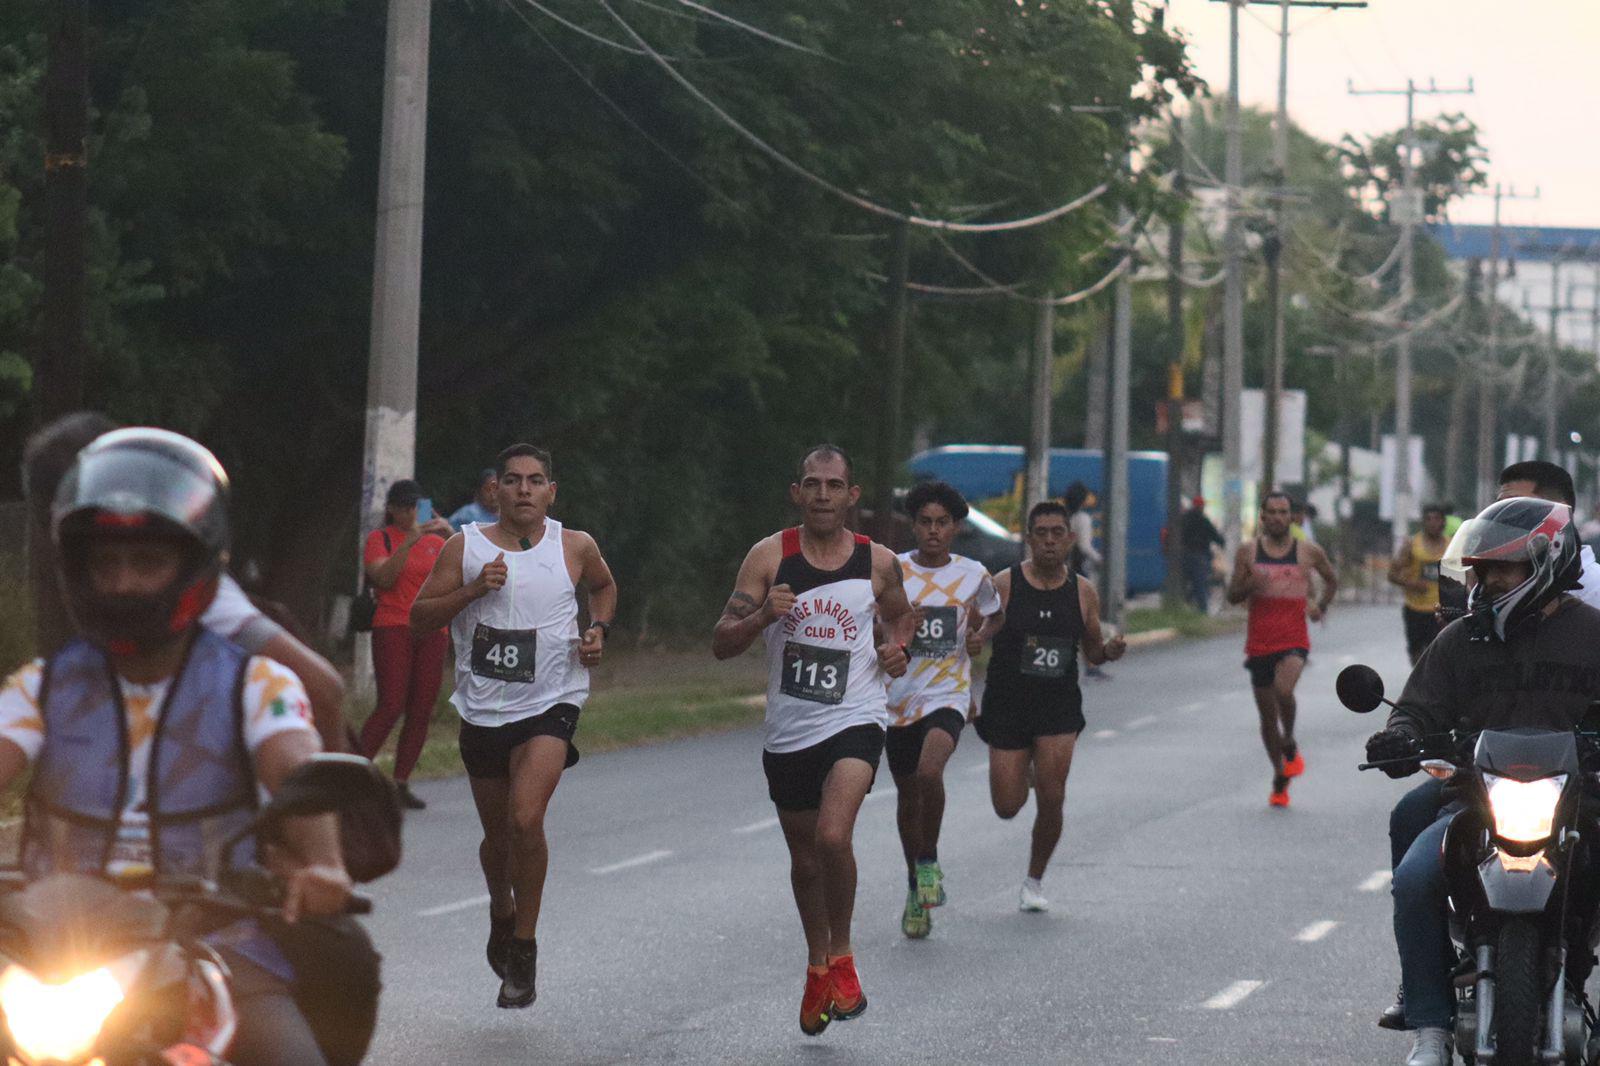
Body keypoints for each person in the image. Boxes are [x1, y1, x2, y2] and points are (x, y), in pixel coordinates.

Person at [0, 428, 377, 1066]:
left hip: (217, 943)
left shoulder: (255, 683)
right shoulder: (41, 687)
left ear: (197, 566)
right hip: (53, 945)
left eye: (147, 562)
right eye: (106, 563)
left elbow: (294, 763)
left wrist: (324, 862)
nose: (122, 583)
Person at [1364, 496, 1600, 1066]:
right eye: (1483, 569)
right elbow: (1416, 708)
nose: (1489, 580)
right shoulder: (1460, 639)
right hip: (1474, 801)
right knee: (1416, 878)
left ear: (1545, 562)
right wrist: (1399, 735)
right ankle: (1430, 1026)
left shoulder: (1594, 634)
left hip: (1580, 802)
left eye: (1503, 568)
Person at [711, 444, 916, 1037]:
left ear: (853, 496)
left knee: (833, 835)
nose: (823, 495)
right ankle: (816, 964)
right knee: (805, 859)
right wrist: (760, 619)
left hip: (856, 716)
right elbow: (722, 642)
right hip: (790, 729)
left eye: (835, 485)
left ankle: (845, 956)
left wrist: (894, 648)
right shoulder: (770, 556)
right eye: (812, 485)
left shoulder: (878, 561)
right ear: (796, 493)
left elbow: (903, 616)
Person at [410, 444, 617, 1010]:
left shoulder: (573, 545)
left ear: (551, 491)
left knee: (527, 818)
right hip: (484, 709)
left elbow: (603, 587)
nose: (524, 489)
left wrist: (596, 630)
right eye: (513, 480)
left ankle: (523, 947)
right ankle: (501, 910)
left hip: (554, 698)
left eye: (536, 480)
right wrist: (474, 589)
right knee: (498, 836)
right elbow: (418, 619)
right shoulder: (465, 547)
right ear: (494, 491)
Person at [21, 412, 352, 754]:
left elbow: (323, 685)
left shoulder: (195, 596)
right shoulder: (53, 659)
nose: (123, 580)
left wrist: (333, 790)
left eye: (147, 561)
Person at [979, 500, 1125, 913]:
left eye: (1056, 533)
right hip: (1007, 704)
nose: (1048, 541)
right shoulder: (1004, 585)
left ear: (1070, 539)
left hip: (1058, 707)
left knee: (1053, 794)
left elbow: (1092, 653)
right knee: (1007, 807)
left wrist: (1110, 652)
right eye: (1040, 533)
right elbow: (977, 630)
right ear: (1028, 539)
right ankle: (1024, 768)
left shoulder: (1082, 592)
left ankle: (1034, 880)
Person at [886, 480, 1004, 939]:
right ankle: (916, 889)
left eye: (942, 524)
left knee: (929, 774)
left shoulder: (973, 574)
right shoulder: (891, 571)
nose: (933, 532)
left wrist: (981, 637)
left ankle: (929, 859)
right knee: (906, 796)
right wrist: (886, 643)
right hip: (896, 699)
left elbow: (995, 613)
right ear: (913, 526)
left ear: (955, 528)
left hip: (948, 694)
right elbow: (873, 619)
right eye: (924, 523)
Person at [1225, 491, 1337, 808]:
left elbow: (1331, 579)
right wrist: (1251, 584)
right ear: (1262, 517)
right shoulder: (1248, 553)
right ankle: (1279, 773)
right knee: (1265, 716)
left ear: (1291, 517)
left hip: (1293, 638)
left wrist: (1320, 606)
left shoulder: (1308, 552)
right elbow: (1233, 595)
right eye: (1271, 512)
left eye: (1283, 511)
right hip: (1259, 640)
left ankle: (1289, 738)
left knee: (1284, 691)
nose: (1277, 517)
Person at [358, 480, 453, 810]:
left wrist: (449, 532)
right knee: (392, 703)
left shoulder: (437, 540)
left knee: (422, 705)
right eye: (408, 507)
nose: (415, 513)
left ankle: (400, 781)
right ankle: (350, 774)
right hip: (394, 624)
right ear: (393, 510)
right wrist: (410, 541)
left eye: (420, 506)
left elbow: (467, 568)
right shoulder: (379, 539)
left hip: (433, 626)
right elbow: (383, 579)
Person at [1388, 504, 1450, 666]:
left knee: (1437, 650)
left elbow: (1464, 574)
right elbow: (1392, 574)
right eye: (1428, 519)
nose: (1433, 523)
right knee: (1416, 650)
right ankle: (1418, 680)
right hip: (1415, 608)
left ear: (1444, 522)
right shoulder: (1411, 545)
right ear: (1423, 522)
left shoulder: (1452, 546)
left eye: (1437, 519)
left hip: (1440, 610)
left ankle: (1431, 682)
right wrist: (1412, 583)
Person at [1179, 495, 1224, 614]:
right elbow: (1215, 536)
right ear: (1201, 506)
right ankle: (1202, 610)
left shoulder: (1184, 519)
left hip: (1184, 554)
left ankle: (1185, 602)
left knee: (1184, 582)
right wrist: (1222, 543)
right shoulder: (1203, 520)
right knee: (1200, 583)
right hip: (1199, 555)